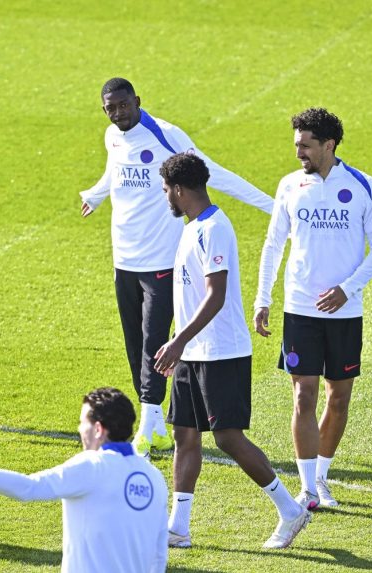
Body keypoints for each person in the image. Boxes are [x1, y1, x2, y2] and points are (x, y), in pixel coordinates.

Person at [80, 77, 273, 457]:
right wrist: (96, 195)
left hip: (160, 258)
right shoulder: (112, 136)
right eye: (110, 108)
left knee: (155, 339)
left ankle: (149, 425)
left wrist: (273, 206)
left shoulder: (165, 134)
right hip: (124, 257)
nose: (118, 113)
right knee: (135, 344)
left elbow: (210, 171)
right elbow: (113, 170)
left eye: (123, 105)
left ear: (137, 100)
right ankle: (153, 422)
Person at [152, 153, 310, 550]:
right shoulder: (192, 228)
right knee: (185, 436)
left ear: (180, 189)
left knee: (227, 438)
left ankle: (291, 511)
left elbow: (216, 296)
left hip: (220, 351)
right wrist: (180, 342)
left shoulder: (215, 229)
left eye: (167, 190)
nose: (166, 197)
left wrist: (179, 339)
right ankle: (178, 527)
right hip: (192, 351)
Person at [253, 108, 372, 509]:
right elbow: (273, 244)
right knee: (303, 396)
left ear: (328, 145)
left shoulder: (363, 185)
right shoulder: (290, 186)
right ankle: (308, 489)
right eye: (296, 145)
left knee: (339, 398)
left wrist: (348, 290)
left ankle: (323, 477)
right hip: (300, 308)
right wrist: (264, 298)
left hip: (344, 312)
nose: (299, 154)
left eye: (306, 146)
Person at [0, 387, 168, 573]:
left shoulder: (91, 467)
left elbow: (29, 488)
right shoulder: (154, 477)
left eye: (82, 422)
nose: (78, 429)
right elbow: (159, 555)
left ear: (98, 429)